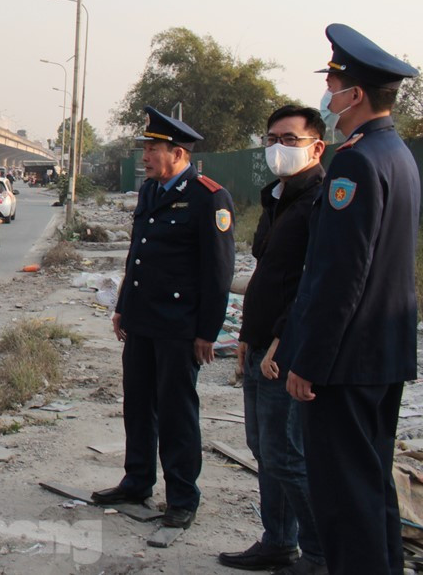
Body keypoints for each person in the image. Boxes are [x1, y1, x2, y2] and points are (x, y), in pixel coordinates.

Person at [275, 24, 420, 575]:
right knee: (372, 486)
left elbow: (341, 274)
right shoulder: (397, 154)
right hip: (383, 353)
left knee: (344, 500)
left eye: (333, 84)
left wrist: (309, 361)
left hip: (345, 362)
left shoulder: (356, 162)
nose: (327, 94)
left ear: (355, 94)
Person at [93, 106, 235, 533]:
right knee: (137, 405)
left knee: (176, 413)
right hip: (142, 320)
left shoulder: (209, 197)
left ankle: (182, 497)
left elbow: (218, 272)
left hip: (178, 326)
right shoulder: (151, 191)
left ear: (177, 153)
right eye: (145, 149)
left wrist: (207, 331)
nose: (145, 157)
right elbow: (137, 255)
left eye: (152, 150)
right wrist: (123, 306)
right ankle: (137, 481)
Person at [218, 106, 327, 575]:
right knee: (263, 448)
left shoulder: (321, 201)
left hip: (287, 350)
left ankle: (320, 554)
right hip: (260, 343)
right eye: (271, 139)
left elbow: (312, 283)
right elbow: (268, 275)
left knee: (286, 454)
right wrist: (247, 335)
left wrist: (281, 340)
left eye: (289, 139)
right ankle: (278, 541)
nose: (277, 148)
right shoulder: (277, 197)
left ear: (316, 147)